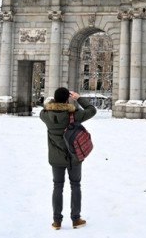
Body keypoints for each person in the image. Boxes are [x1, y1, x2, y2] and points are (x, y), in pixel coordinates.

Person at [40, 87, 97, 230]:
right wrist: (78, 98)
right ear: (67, 99)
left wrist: (56, 100)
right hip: (74, 157)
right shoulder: (73, 114)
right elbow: (92, 110)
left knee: (57, 186)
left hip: (56, 158)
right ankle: (76, 219)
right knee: (75, 185)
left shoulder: (45, 114)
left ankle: (57, 221)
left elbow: (45, 107)